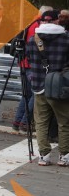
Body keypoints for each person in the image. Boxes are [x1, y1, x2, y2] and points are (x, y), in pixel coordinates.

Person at [26, 20, 69, 166]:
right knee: (64, 122)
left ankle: (44, 155)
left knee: (41, 122)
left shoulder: (33, 39)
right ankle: (64, 155)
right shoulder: (66, 39)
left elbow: (28, 59)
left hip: (39, 85)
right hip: (60, 86)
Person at [13, 7, 56, 132]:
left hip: (24, 63)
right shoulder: (37, 28)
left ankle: (17, 121)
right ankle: (25, 122)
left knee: (26, 95)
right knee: (35, 94)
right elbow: (37, 48)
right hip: (32, 65)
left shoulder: (30, 23)